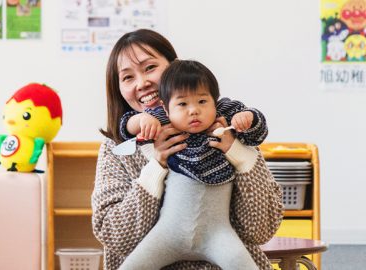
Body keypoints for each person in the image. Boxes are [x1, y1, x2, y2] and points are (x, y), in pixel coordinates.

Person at [91, 29, 283, 270]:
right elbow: (116, 236)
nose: (142, 83)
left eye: (150, 68)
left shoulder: (225, 127)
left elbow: (261, 230)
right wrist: (157, 166)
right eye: (128, 77)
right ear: (118, 88)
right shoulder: (118, 148)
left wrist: (238, 154)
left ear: (174, 67)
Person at [115, 60, 267, 269]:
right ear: (166, 110)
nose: (194, 110)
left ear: (215, 102)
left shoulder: (225, 118)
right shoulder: (163, 122)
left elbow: (258, 126)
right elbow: (125, 126)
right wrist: (142, 121)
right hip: (166, 235)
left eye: (203, 102)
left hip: (219, 234)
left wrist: (246, 117)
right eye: (183, 104)